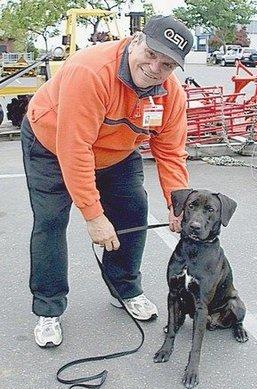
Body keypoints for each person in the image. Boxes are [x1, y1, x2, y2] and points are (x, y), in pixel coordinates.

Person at [20, 15, 193, 348]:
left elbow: (171, 152)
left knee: (133, 211)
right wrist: (93, 214)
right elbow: (75, 147)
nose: (156, 67)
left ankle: (125, 288)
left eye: (168, 63)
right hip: (52, 145)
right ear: (137, 39)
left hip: (116, 150)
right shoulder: (91, 72)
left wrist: (178, 204)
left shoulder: (171, 95)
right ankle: (48, 308)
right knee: (51, 221)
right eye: (153, 53)